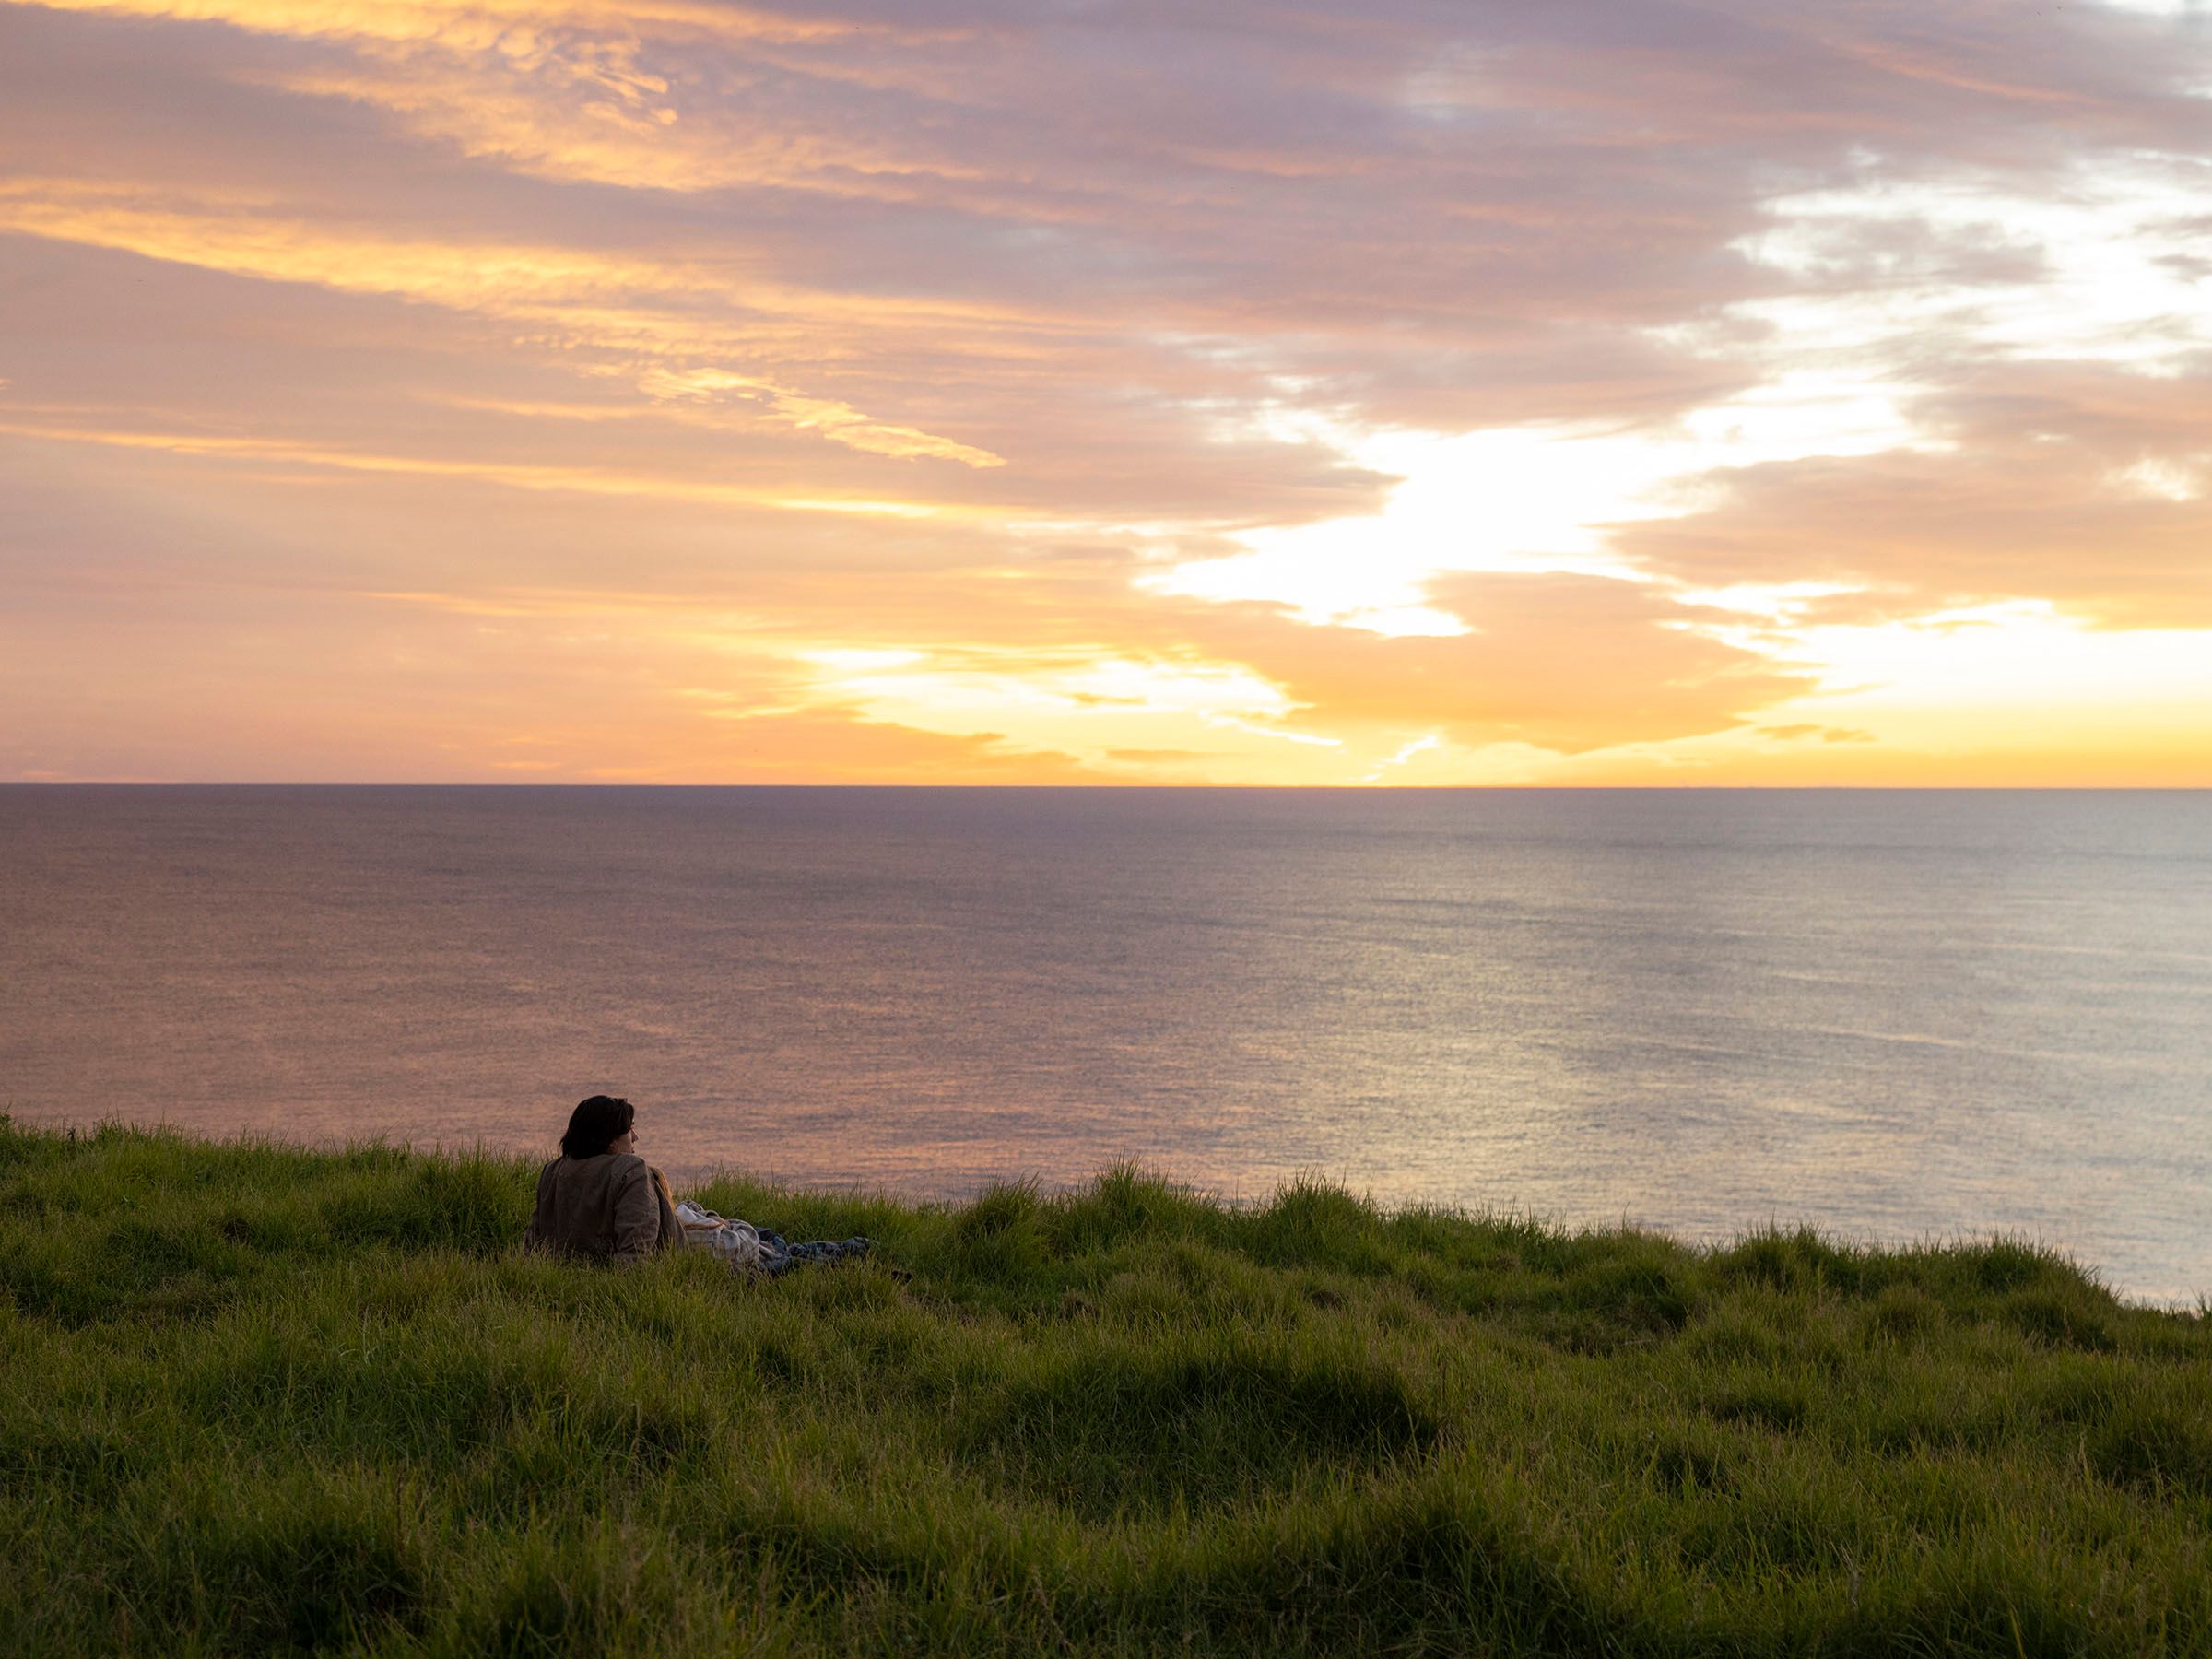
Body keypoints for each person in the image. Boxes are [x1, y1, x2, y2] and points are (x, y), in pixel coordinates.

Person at [524, 1094, 679, 1264]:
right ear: (611, 1144)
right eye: (629, 1129)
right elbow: (636, 1253)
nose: (635, 1137)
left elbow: (532, 1244)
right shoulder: (631, 1171)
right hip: (652, 1268)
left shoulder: (552, 1170)